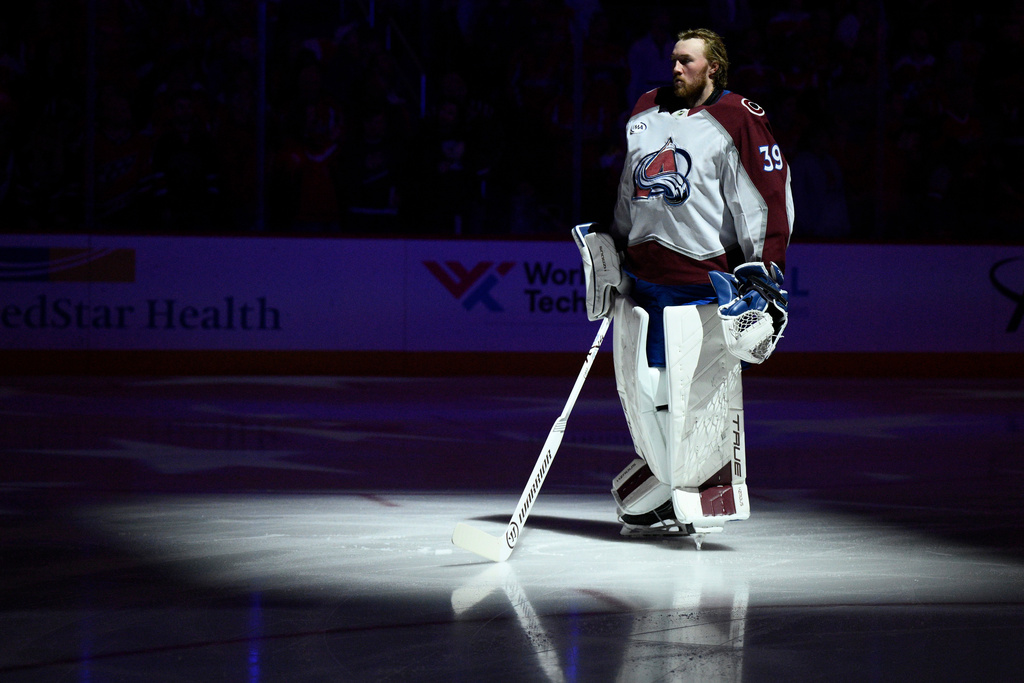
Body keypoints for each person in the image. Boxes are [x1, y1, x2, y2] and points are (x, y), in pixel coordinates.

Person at [574, 28, 793, 547]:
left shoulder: (740, 117)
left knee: (692, 402)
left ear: (713, 67)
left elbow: (767, 199)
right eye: (673, 60)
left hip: (702, 288)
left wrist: (765, 269)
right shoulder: (645, 108)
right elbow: (629, 189)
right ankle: (661, 496)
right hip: (645, 286)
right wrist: (615, 247)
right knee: (647, 398)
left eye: (687, 61)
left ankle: (676, 495)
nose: (675, 69)